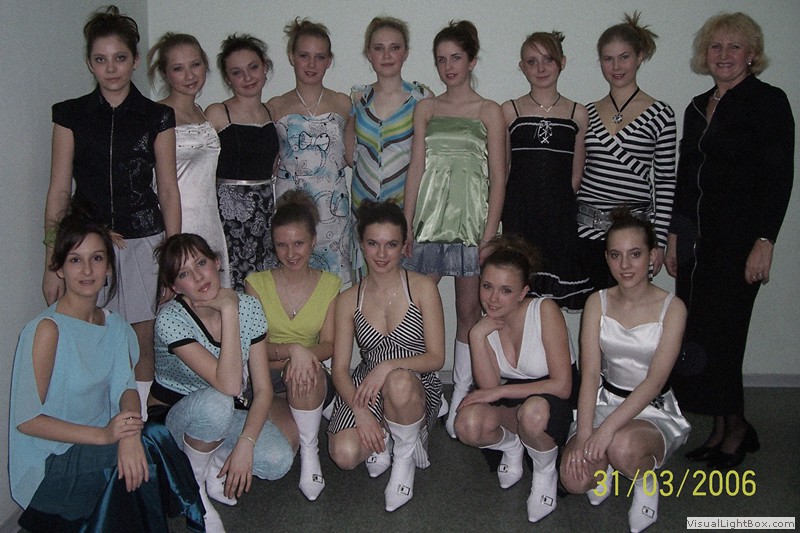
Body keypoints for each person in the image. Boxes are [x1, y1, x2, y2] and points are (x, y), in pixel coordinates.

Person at [10, 211, 203, 533]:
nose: (87, 270)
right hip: (50, 462)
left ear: (109, 267)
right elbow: (28, 420)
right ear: (58, 268)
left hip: (103, 441)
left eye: (97, 258)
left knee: (152, 436)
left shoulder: (115, 325)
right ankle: (196, 517)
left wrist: (128, 434)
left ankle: (192, 516)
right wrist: (106, 436)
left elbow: (125, 389)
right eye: (75, 260)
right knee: (142, 453)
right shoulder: (47, 330)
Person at [666, 12, 794, 469]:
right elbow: (686, 178)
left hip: (739, 243)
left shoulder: (768, 102)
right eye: (715, 47)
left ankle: (735, 428)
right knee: (700, 334)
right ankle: (722, 427)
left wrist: (765, 240)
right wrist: (674, 236)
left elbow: (779, 178)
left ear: (752, 55)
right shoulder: (697, 106)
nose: (723, 55)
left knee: (726, 335)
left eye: (734, 47)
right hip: (696, 242)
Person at [42, 5, 181, 419]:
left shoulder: (157, 116)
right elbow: (58, 191)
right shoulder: (69, 115)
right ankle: (95, 426)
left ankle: (135, 426)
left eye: (119, 58)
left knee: (141, 339)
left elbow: (168, 190)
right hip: (85, 245)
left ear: (134, 60)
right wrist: (52, 263)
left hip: (144, 241)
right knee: (89, 333)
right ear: (90, 63)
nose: (111, 68)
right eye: (100, 59)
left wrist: (172, 260)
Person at [151, 234, 297, 532]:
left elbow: (263, 389)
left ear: (217, 262)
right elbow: (229, 385)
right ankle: (195, 492)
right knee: (217, 401)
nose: (198, 277)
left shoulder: (250, 307)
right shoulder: (170, 320)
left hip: (223, 411)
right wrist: (229, 309)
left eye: (201, 263)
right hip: (170, 421)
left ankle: (211, 459)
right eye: (184, 274)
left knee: (277, 460)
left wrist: (245, 444)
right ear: (175, 287)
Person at [403, 20, 507, 438]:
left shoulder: (489, 111)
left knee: (468, 311)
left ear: (472, 61)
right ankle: (421, 390)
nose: (448, 67)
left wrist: (489, 235)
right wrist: (407, 224)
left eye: (456, 58)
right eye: (441, 60)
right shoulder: (426, 109)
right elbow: (416, 168)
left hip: (472, 226)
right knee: (414, 310)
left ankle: (462, 393)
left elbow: (499, 177)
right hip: (428, 223)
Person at [560, 210, 690, 533]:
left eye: (635, 254)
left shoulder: (673, 308)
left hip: (651, 407)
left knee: (620, 446)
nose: (625, 265)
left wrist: (604, 433)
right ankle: (605, 467)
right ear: (606, 258)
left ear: (653, 256)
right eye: (616, 255)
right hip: (606, 400)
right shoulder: (597, 302)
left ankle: (646, 483)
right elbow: (590, 374)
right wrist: (585, 433)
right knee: (573, 479)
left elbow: (654, 382)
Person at [327, 201, 445, 512]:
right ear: (361, 244)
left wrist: (389, 366)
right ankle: (389, 433)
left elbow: (436, 358)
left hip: (414, 382)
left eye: (391, 244)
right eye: (373, 244)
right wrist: (361, 411)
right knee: (344, 454)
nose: (381, 254)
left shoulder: (422, 288)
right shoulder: (348, 299)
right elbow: (339, 370)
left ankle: (404, 457)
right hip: (367, 386)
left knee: (398, 382)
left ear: (404, 246)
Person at [454, 235, 578, 523]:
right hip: (513, 401)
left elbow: (562, 386)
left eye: (505, 290)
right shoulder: (484, 324)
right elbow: (489, 387)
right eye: (487, 286)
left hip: (553, 403)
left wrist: (498, 394)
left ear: (523, 293)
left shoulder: (544, 311)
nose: (492, 299)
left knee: (533, 413)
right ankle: (512, 445)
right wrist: (476, 336)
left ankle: (545, 472)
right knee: (466, 424)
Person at [245, 190, 341, 501]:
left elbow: (329, 345)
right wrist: (293, 351)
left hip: (310, 377)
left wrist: (301, 358)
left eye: (298, 243)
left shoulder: (330, 284)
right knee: (283, 448)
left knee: (304, 372)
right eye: (282, 245)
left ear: (313, 241)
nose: (291, 253)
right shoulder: (256, 284)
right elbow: (254, 348)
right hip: (267, 382)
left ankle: (311, 455)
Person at [576, 12, 676, 291]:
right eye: (608, 59)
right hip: (587, 232)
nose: (616, 66)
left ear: (639, 56)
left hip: (633, 240)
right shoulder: (586, 112)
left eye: (624, 57)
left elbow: (665, 182)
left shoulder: (661, 113)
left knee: (630, 310)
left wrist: (659, 241)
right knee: (593, 311)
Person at [501, 31, 592, 312]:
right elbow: (504, 169)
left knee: (552, 303)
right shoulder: (510, 110)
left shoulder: (577, 113)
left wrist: (557, 206)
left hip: (559, 218)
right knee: (519, 295)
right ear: (522, 67)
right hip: (520, 216)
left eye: (548, 60)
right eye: (532, 61)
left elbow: (576, 175)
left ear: (562, 62)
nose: (540, 68)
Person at [345, 16, 432, 279]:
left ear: (405, 52)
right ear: (368, 53)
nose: (386, 55)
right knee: (367, 285)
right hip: (363, 206)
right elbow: (350, 153)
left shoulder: (421, 98)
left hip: (405, 208)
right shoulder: (358, 97)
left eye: (394, 47)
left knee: (402, 287)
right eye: (379, 48)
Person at [270, 18, 353, 286]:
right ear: (291, 57)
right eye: (304, 55)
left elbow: (352, 156)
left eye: (320, 57)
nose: (311, 64)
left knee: (333, 284)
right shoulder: (275, 106)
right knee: (292, 280)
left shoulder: (343, 103)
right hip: (291, 207)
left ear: (329, 61)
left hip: (333, 208)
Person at [149, 32, 231, 288]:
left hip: (210, 222)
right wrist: (172, 245)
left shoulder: (202, 113)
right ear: (165, 73)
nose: (189, 75)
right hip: (175, 224)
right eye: (178, 68)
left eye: (195, 64)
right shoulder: (156, 116)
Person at [206, 34, 278, 291]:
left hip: (266, 212)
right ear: (227, 78)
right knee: (232, 283)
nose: (247, 77)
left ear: (265, 67)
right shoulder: (217, 113)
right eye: (237, 72)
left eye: (253, 67)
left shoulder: (271, 111)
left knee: (264, 285)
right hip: (229, 216)